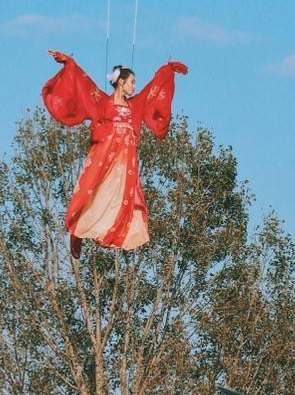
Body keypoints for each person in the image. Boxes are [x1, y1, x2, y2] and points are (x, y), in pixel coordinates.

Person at [41, 52, 188, 254]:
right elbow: (83, 85)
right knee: (92, 192)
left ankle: (109, 232)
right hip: (103, 157)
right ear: (121, 82)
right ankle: (77, 230)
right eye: (131, 82)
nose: (134, 86)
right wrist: (70, 63)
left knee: (117, 198)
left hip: (124, 163)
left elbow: (152, 91)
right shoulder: (102, 102)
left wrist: (168, 70)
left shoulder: (134, 105)